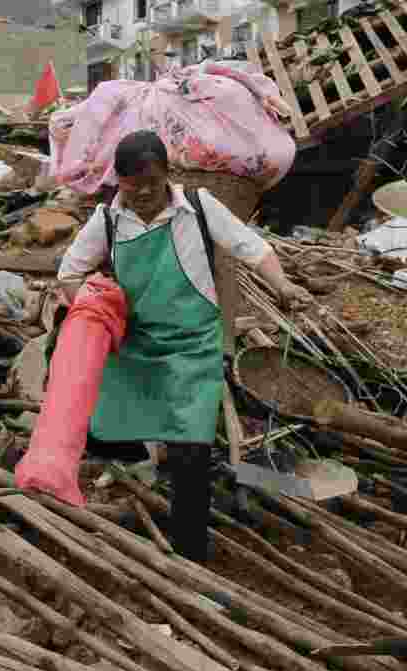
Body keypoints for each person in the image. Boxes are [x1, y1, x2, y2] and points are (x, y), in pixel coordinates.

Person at [54, 129, 312, 563]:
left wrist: (283, 285)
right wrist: (94, 305)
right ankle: (148, 464)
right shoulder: (108, 220)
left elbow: (253, 248)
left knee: (191, 447)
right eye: (133, 186)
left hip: (194, 344)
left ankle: (190, 556)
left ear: (166, 174)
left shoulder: (197, 206)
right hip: (136, 343)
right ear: (119, 181)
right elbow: (67, 275)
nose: (144, 193)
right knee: (101, 428)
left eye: (152, 182)